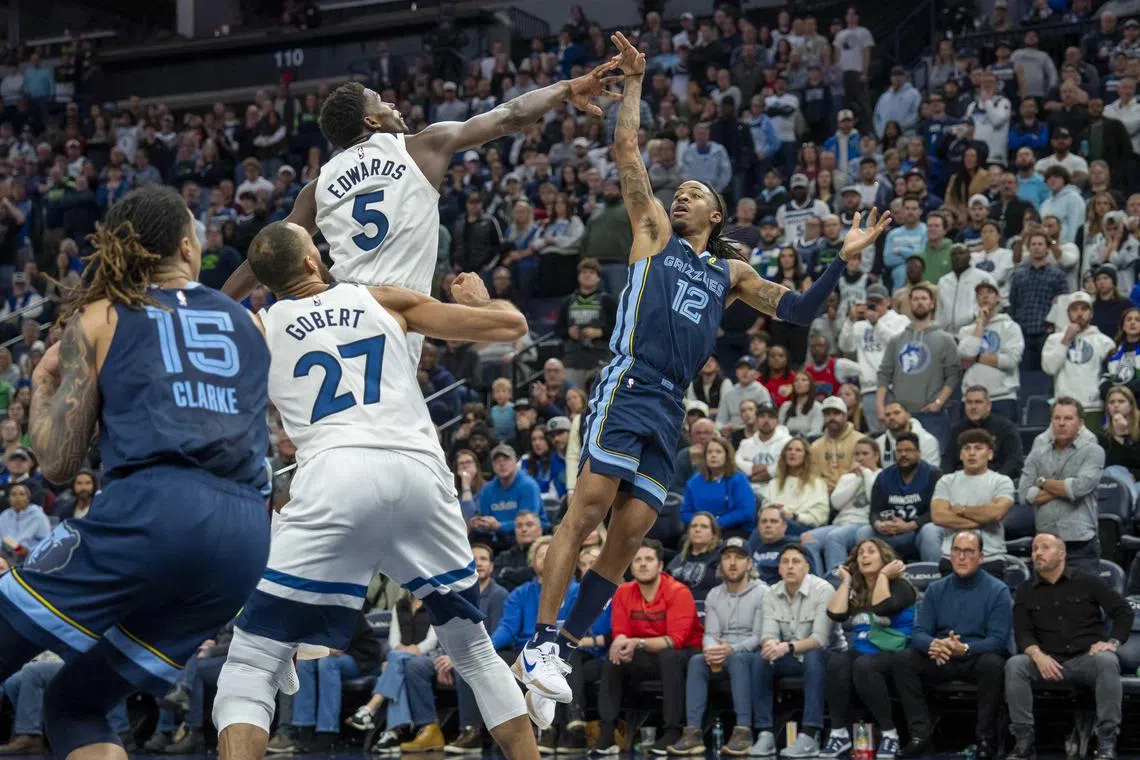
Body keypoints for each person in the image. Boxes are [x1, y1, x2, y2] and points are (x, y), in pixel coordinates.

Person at [515, 32, 892, 713]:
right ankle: (539, 639)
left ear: (716, 216)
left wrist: (847, 253)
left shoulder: (732, 272)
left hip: (670, 407)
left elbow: (802, 310)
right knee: (591, 506)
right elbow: (628, 150)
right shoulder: (653, 233)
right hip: (629, 381)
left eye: (692, 194)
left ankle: (563, 649)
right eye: (678, 191)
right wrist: (632, 83)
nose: (679, 197)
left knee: (629, 536)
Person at [210, 222, 541, 760]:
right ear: (315, 262)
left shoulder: (259, 327)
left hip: (334, 477)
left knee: (250, 663)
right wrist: (484, 298)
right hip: (418, 473)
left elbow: (201, 315)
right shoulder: (379, 297)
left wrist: (252, 277)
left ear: (266, 282)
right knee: (474, 651)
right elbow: (511, 326)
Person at [0, 186, 272, 760]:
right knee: (76, 705)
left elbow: (56, 464)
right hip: (244, 540)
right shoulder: (248, 323)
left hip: (156, 512)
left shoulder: (100, 316)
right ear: (185, 245)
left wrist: (44, 385)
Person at [222, 61, 625, 365]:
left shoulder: (318, 185)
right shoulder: (420, 147)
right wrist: (566, 88)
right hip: (398, 314)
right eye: (381, 101)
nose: (393, 103)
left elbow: (265, 257)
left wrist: (211, 304)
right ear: (370, 120)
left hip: (338, 310)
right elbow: (510, 116)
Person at [1005, 533, 1132, 760]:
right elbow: (1022, 632)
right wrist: (1037, 654)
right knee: (1016, 665)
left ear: (1061, 554)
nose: (1037, 553)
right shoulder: (1025, 590)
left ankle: (1106, 741)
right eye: (1034, 549)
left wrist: (1112, 642)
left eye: (1045, 548)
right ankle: (1023, 741)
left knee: (1106, 661)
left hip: (1085, 659)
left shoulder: (1088, 581)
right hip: (1047, 662)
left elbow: (1123, 611)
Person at [891, 530, 1012, 760]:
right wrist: (935, 644)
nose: (962, 557)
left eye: (968, 551)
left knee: (994, 664)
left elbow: (998, 640)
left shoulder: (998, 590)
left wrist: (964, 648)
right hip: (942, 658)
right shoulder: (937, 589)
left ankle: (986, 738)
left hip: (976, 658)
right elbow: (918, 633)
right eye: (957, 551)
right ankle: (920, 735)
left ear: (981, 557)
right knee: (902, 660)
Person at [594, 539, 702, 753]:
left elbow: (675, 640)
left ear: (660, 565)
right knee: (614, 658)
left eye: (649, 559)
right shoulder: (624, 591)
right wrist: (621, 642)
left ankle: (672, 730)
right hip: (646, 653)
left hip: (684, 655)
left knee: (669, 656)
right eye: (637, 560)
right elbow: (621, 632)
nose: (643, 564)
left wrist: (636, 642)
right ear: (631, 566)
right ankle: (607, 733)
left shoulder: (678, 591)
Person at [667, 537, 766, 757]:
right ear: (720, 564)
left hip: (751, 654)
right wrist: (711, 650)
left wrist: (731, 648)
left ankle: (743, 730)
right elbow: (710, 634)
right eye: (727, 557)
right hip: (721, 652)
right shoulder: (714, 594)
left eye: (739, 558)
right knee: (696, 661)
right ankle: (692, 732)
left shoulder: (763, 592)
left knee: (738, 658)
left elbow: (760, 636)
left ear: (749, 564)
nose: (732, 563)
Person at [820, 539, 918, 760]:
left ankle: (889, 733)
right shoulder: (858, 589)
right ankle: (839, 733)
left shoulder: (901, 586)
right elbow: (835, 614)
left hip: (897, 653)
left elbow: (882, 607)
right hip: (864, 652)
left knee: (863, 665)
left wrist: (883, 575)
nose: (864, 556)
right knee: (837, 661)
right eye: (860, 553)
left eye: (871, 552)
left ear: (884, 558)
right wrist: (845, 581)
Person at [751, 544, 834, 759]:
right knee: (761, 659)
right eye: (785, 562)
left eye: (796, 561)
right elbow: (768, 632)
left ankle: (809, 734)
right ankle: (765, 733)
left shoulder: (823, 589)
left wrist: (786, 647)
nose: (790, 566)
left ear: (807, 567)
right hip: (788, 656)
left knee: (813, 657)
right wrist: (770, 644)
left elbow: (820, 639)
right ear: (778, 568)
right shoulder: (771, 593)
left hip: (827, 657)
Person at [1019, 397, 1106, 575]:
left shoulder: (1093, 451)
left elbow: (1079, 488)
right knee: (1044, 602)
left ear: (1080, 423)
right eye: (1057, 418)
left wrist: (1042, 482)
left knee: (1083, 601)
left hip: (1080, 543)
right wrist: (1065, 486)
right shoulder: (1038, 453)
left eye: (1067, 419)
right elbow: (1024, 494)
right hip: (1045, 542)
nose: (1061, 423)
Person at [876, 282, 959, 454]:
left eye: (924, 299)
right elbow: (884, 375)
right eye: (915, 299)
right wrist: (880, 408)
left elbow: (953, 375)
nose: (919, 302)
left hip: (932, 415)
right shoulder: (896, 340)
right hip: (901, 416)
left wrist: (939, 402)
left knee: (934, 464)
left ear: (932, 303)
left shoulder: (945, 339)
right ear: (909, 303)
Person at [930, 430, 1016, 575]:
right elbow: (938, 516)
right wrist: (980, 521)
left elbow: (995, 514)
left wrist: (960, 510)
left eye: (978, 448)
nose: (971, 453)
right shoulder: (946, 481)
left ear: (989, 454)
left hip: (989, 557)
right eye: (967, 448)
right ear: (960, 454)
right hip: (951, 558)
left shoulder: (1001, 481)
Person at [860, 431, 944, 562]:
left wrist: (910, 525)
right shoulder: (884, 477)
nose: (903, 454)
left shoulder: (933, 474)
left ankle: (933, 575)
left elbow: (936, 512)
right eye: (899, 451)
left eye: (909, 450)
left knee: (930, 531)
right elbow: (874, 511)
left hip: (918, 531)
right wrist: (879, 524)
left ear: (919, 453)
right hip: (891, 532)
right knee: (864, 532)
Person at [837, 284, 909, 435]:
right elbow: (845, 346)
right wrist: (850, 321)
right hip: (869, 387)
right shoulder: (860, 325)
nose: (875, 305)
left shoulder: (900, 320)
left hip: (895, 386)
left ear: (888, 301)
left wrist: (877, 324)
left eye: (878, 301)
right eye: (871, 302)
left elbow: (899, 345)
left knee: (901, 431)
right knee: (877, 435)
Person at [802, 438, 881, 573]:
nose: (860, 458)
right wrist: (856, 479)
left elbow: (874, 500)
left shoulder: (882, 475)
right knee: (808, 537)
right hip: (841, 523)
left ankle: (837, 580)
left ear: (876, 456)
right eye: (857, 454)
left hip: (862, 523)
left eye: (865, 454)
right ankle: (817, 581)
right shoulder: (847, 478)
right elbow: (836, 504)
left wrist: (866, 474)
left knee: (835, 537)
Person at [1043, 292, 1116, 426]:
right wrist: (1066, 340)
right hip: (1064, 408)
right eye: (1074, 309)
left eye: (1084, 309)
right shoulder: (1054, 339)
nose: (1079, 313)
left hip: (1094, 407)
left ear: (1091, 313)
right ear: (1068, 313)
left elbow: (1112, 376)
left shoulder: (1104, 342)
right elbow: (1049, 368)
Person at [956, 280, 1024, 421]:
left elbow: (1010, 361)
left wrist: (976, 358)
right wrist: (980, 323)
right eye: (980, 294)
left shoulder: (1010, 327)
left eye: (990, 292)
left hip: (1002, 398)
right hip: (971, 399)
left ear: (998, 297)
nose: (985, 296)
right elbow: (967, 352)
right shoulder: (966, 330)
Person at [943, 386, 1024, 479]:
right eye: (969, 402)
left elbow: (1014, 461)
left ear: (988, 406)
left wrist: (996, 481)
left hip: (995, 481)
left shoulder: (1006, 427)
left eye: (978, 402)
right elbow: (947, 461)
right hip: (962, 482)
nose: (973, 407)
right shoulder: (957, 430)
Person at [680, 437, 755, 533]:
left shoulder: (739, 480)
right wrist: (700, 524)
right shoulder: (694, 481)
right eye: (709, 452)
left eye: (718, 452)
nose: (713, 455)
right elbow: (685, 512)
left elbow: (746, 512)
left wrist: (715, 524)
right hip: (700, 529)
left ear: (727, 456)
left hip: (733, 529)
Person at [765, 437, 829, 534]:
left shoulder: (817, 483)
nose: (792, 453)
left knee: (774, 528)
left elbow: (821, 516)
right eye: (789, 449)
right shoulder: (773, 483)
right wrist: (772, 509)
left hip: (803, 527)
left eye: (798, 450)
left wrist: (794, 516)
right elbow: (763, 510)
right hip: (774, 523)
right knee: (766, 528)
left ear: (806, 456)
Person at [735, 401, 791, 501]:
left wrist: (768, 472)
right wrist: (752, 468)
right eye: (762, 416)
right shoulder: (746, 443)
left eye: (771, 416)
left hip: (778, 492)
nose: (766, 420)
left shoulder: (788, 442)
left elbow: (785, 466)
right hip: (749, 491)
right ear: (756, 420)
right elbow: (736, 462)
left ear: (778, 421)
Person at [665, 512, 724, 602]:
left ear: (713, 533)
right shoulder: (678, 559)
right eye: (693, 526)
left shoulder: (719, 557)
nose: (697, 530)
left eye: (704, 526)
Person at [810, 395, 862, 491]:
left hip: (853, 493)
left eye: (836, 413)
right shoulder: (815, 446)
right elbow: (813, 476)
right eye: (827, 414)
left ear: (845, 416)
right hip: (824, 494)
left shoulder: (860, 441)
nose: (831, 418)